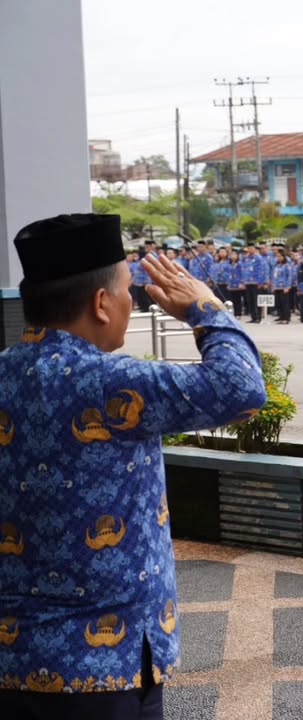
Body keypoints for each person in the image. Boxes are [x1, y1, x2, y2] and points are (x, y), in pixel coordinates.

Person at [0, 213, 265, 719]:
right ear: (101, 304)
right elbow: (242, 389)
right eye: (127, 290)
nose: (132, 301)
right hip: (104, 670)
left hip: (11, 659)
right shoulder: (111, 382)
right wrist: (204, 307)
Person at [239, 243, 269, 323]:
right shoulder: (246, 258)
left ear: (254, 249)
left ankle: (259, 316)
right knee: (250, 300)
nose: (249, 250)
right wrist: (243, 281)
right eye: (248, 248)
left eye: (251, 248)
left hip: (256, 282)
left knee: (256, 300)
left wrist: (261, 282)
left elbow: (261, 270)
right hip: (248, 282)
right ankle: (253, 317)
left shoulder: (259, 258)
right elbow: (244, 270)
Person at [270, 250, 293, 324]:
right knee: (278, 303)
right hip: (277, 286)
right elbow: (273, 276)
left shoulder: (287, 265)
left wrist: (288, 286)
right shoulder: (276, 266)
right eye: (277, 256)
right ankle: (281, 317)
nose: (279, 258)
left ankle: (286, 318)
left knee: (285, 303)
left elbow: (289, 276)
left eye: (280, 256)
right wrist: (273, 285)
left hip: (284, 286)